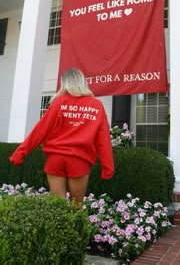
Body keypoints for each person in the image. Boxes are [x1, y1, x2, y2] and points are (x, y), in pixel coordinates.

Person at [10, 68, 115, 206]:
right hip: (79, 160)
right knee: (76, 206)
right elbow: (103, 139)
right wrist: (108, 167)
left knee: (58, 206)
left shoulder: (59, 102)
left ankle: (58, 228)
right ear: (83, 82)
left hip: (56, 158)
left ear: (65, 83)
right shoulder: (96, 105)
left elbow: (40, 130)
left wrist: (20, 153)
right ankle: (76, 228)